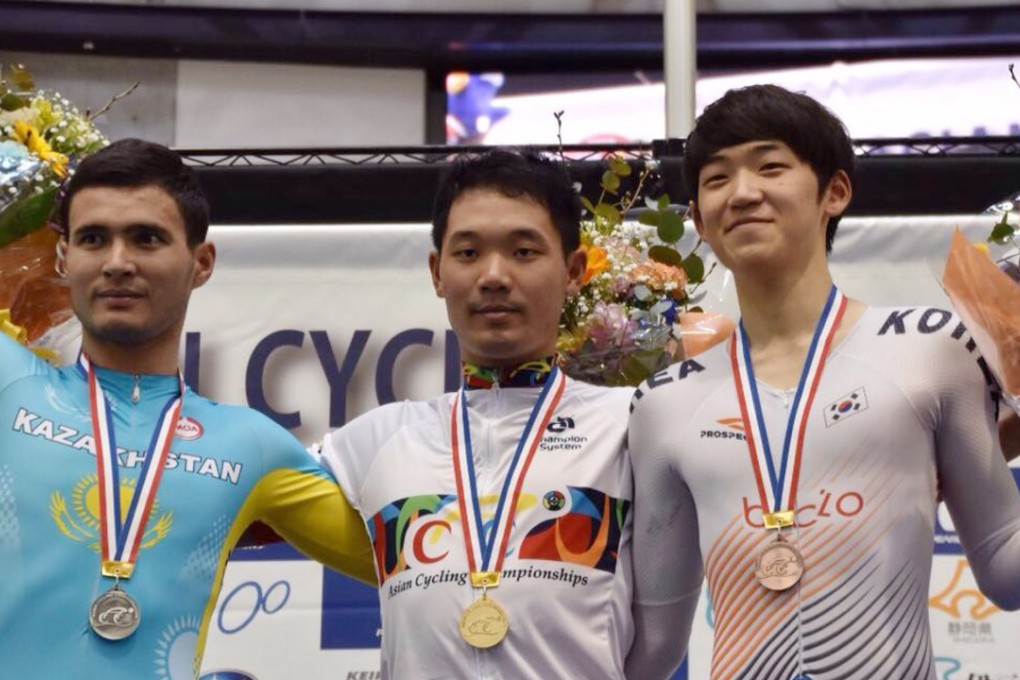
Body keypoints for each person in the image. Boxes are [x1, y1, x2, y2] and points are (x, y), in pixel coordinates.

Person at [625, 84, 1020, 679]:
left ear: (834, 192)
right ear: (699, 222)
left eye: (770, 167)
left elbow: (1005, 568)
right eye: (717, 178)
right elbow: (653, 648)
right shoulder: (665, 403)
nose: (744, 192)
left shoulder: (932, 349)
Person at [0, 139, 375, 679]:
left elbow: (420, 566)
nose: (117, 263)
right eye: (93, 239)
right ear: (64, 259)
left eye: (146, 238)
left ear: (202, 263)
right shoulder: (10, 384)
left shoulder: (251, 446)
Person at [313, 149, 635, 679]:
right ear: (437, 272)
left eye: (524, 252)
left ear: (574, 271)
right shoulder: (373, 441)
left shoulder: (630, 425)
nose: (493, 276)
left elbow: (660, 636)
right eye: (467, 253)